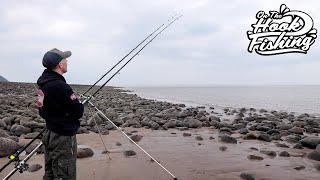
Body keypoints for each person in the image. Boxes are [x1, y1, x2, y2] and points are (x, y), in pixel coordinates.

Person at [37, 48, 84, 180]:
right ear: (60, 64)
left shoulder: (43, 84)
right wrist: (78, 104)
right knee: (65, 174)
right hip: (62, 137)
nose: (67, 61)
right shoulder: (60, 86)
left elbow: (42, 110)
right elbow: (78, 111)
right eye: (65, 59)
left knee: (50, 171)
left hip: (49, 133)